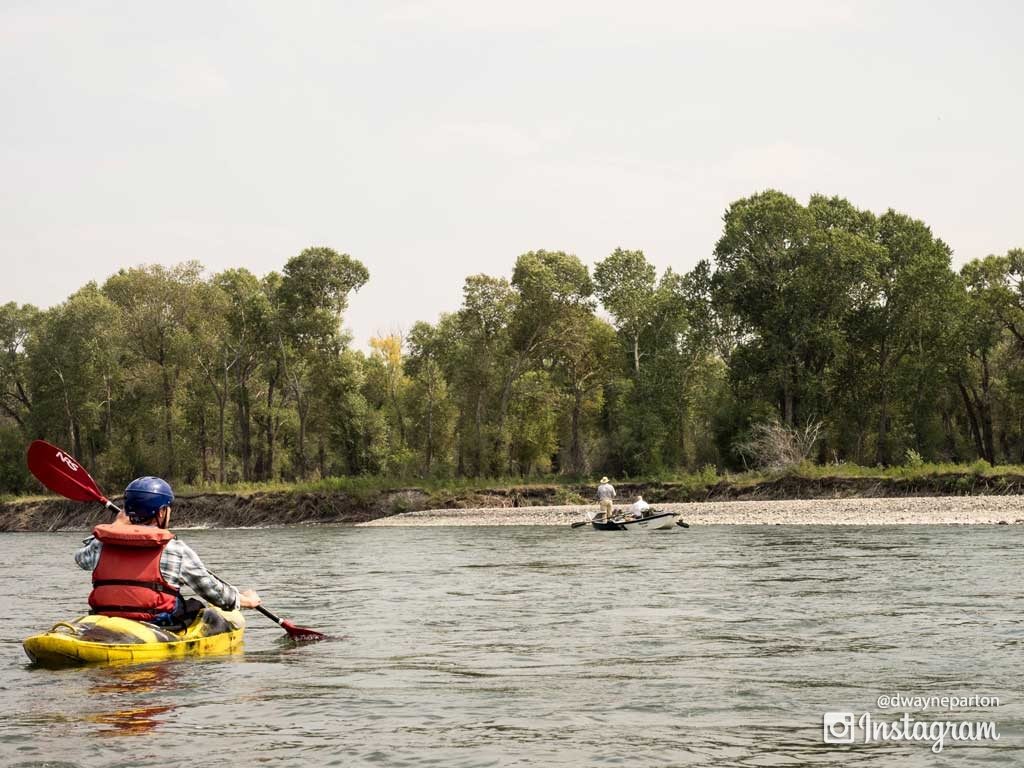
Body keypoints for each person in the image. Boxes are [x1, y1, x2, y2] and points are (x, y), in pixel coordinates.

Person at [75, 476, 261, 628]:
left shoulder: (102, 544)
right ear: (162, 512)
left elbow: (81, 559)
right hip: (156, 623)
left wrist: (114, 528)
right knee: (206, 611)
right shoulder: (175, 549)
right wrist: (245, 600)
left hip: (106, 617)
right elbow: (214, 593)